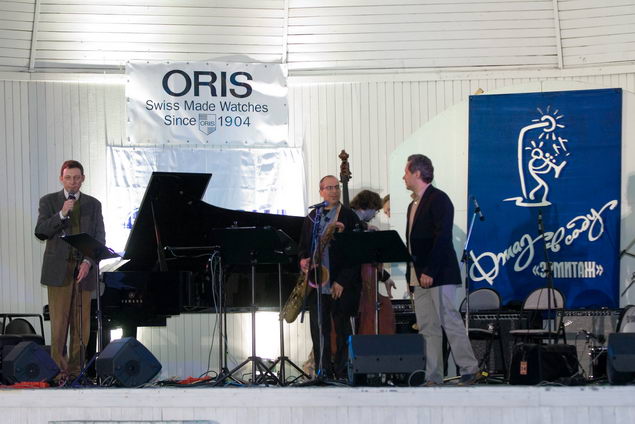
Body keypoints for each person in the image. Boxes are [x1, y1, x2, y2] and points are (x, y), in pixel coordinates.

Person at [403, 154, 481, 386]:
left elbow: (443, 237)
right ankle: (433, 376)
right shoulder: (412, 204)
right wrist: (411, 275)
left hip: (437, 272)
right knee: (427, 326)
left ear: (417, 173)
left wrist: (430, 270)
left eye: (406, 172)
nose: (403, 177)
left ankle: (470, 368)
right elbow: (412, 243)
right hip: (419, 273)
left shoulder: (439, 199)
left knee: (449, 319)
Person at [34, 160, 105, 382]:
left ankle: (76, 372)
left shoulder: (94, 204)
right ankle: (58, 374)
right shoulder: (48, 201)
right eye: (68, 178)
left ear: (83, 179)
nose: (73, 182)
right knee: (59, 326)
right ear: (61, 179)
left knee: (81, 328)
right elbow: (40, 232)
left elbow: (100, 238)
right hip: (59, 272)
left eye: (76, 178)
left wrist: (88, 262)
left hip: (84, 272)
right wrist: (62, 214)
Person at [298, 175, 361, 379]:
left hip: (340, 283)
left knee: (342, 330)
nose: (334, 191)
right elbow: (303, 247)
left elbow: (355, 254)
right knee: (319, 330)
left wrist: (342, 280)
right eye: (329, 188)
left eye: (336, 187)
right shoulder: (312, 217)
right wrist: (303, 260)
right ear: (321, 192)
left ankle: (342, 372)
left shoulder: (349, 216)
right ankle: (322, 371)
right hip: (317, 282)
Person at [349, 190, 396, 335]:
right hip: (350, 284)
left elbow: (368, 265)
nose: (375, 215)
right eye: (375, 210)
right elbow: (362, 261)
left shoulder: (362, 226)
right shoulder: (350, 222)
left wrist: (385, 276)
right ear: (369, 206)